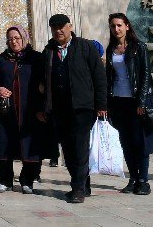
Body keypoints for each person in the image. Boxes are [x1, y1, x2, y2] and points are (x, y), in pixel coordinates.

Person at [43, 14, 107, 204]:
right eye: (54, 27)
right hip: (59, 110)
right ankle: (82, 184)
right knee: (68, 150)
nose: (58, 31)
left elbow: (99, 77)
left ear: (70, 26)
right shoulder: (49, 50)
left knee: (80, 148)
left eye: (61, 27)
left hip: (82, 107)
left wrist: (101, 104)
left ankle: (78, 189)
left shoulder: (85, 47)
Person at [106, 14, 153, 195]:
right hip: (118, 101)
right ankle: (132, 178)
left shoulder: (139, 48)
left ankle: (143, 180)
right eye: (113, 26)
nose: (117, 29)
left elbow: (145, 74)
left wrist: (141, 101)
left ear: (127, 26)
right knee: (126, 142)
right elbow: (110, 77)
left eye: (120, 25)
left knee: (140, 142)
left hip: (136, 101)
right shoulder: (111, 49)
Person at [0, 26, 46, 195]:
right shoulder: (2, 60)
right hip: (6, 113)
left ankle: (27, 180)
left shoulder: (35, 58)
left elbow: (44, 81)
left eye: (17, 38)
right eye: (10, 38)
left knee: (29, 146)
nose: (14, 41)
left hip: (29, 111)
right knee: (5, 144)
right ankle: (5, 180)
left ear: (24, 38)